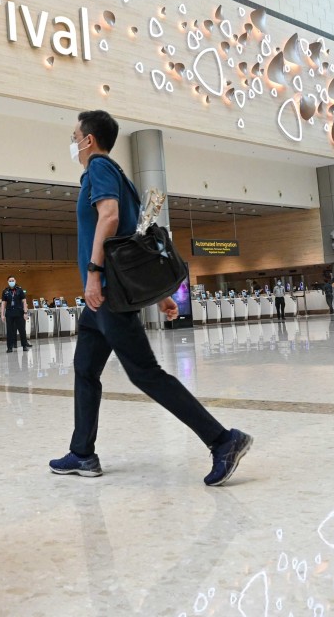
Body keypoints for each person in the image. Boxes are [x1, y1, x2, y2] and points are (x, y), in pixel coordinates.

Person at [48, 109, 252, 486]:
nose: (73, 142)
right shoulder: (119, 176)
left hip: (107, 295)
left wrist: (93, 273)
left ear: (89, 139)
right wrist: (159, 297)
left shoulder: (98, 168)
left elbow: (109, 218)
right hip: (101, 303)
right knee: (85, 369)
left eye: (75, 136)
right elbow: (134, 242)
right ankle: (82, 452)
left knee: (145, 373)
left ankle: (223, 440)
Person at [1, 276, 32, 352]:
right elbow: (3, 304)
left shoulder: (19, 290)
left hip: (19, 312)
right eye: (10, 281)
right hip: (9, 313)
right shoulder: (5, 291)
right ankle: (9, 347)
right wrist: (2, 314)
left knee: (22, 330)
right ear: (7, 282)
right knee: (9, 330)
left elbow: (24, 302)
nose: (11, 282)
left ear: (15, 281)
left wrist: (25, 312)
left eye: (12, 280)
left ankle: (24, 345)